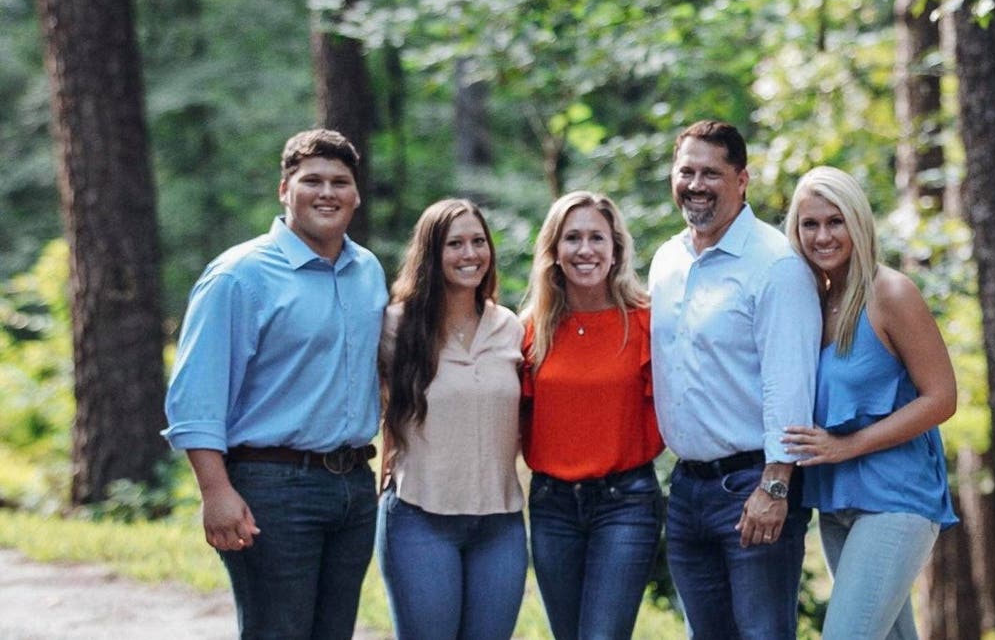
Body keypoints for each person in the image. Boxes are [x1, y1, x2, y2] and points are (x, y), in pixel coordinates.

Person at [162, 129, 386, 639]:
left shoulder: (366, 270)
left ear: (356, 194)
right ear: (285, 189)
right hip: (273, 488)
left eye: (340, 182)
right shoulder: (239, 276)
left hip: (353, 484)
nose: (326, 193)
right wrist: (215, 491)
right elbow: (196, 396)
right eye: (312, 181)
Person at [648, 119, 822, 639]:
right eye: (686, 171)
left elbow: (790, 383)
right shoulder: (667, 260)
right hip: (687, 489)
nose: (696, 184)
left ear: (742, 180)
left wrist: (775, 484)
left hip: (754, 487)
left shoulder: (775, 265)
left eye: (711, 173)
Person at [781, 166, 959, 639]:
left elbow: (942, 398)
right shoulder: (810, 303)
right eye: (809, 224)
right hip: (836, 502)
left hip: (895, 500)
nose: (822, 236)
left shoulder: (891, 293)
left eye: (835, 221)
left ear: (858, 222)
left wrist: (848, 445)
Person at [375, 198, 527, 640]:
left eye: (478, 242)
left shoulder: (511, 327)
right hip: (421, 519)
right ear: (431, 253)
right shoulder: (395, 327)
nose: (470, 254)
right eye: (454, 244)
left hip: (500, 525)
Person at [520, 191, 665, 640]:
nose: (585, 250)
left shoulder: (647, 322)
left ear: (616, 248)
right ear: (554, 251)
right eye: (573, 238)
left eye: (597, 238)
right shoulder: (530, 329)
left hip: (626, 503)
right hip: (551, 506)